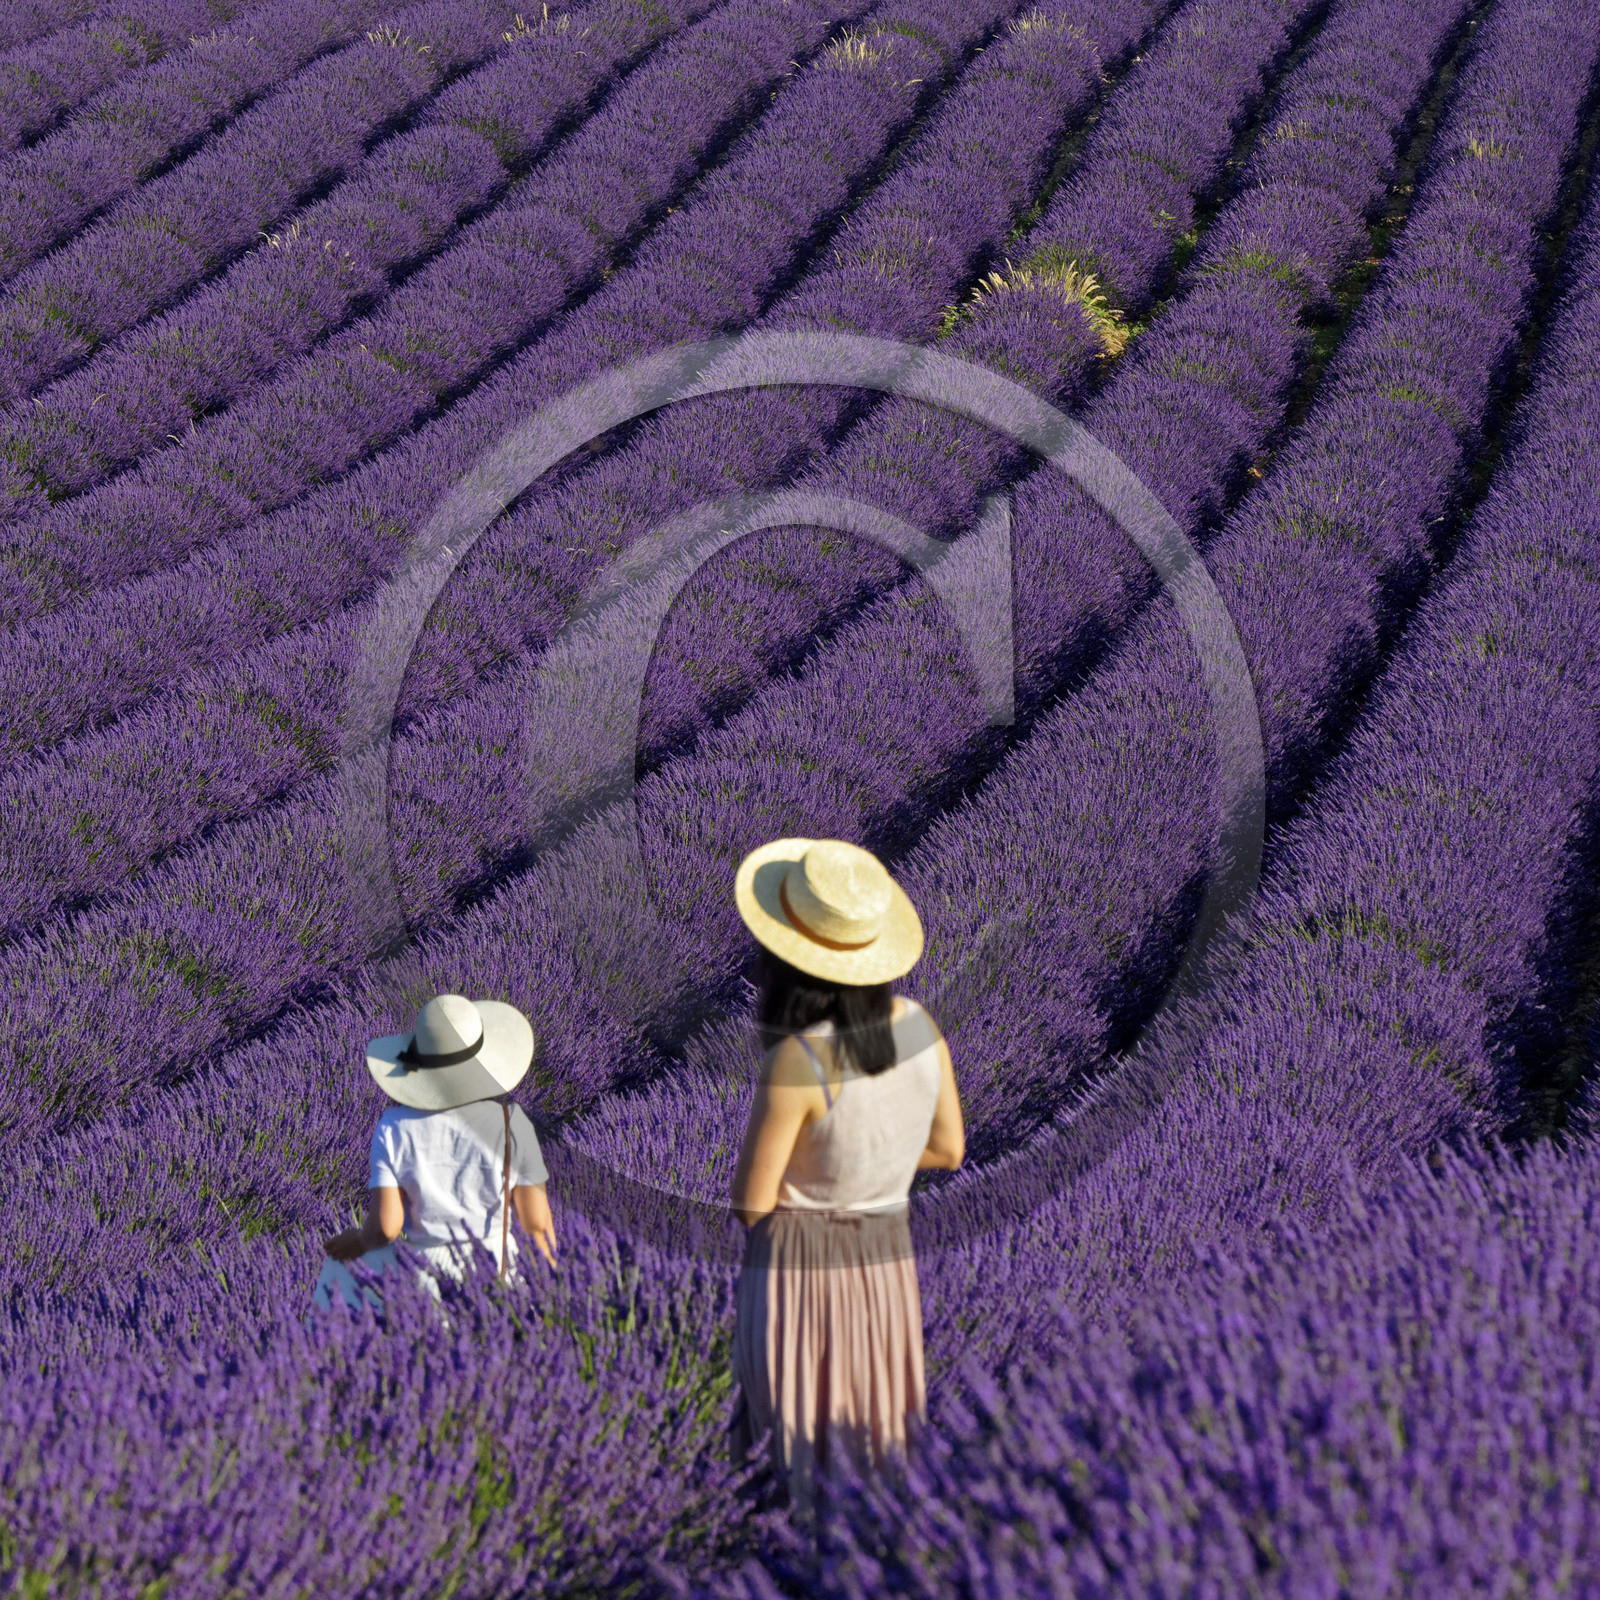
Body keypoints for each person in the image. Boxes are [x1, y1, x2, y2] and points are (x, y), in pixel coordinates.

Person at [728, 837, 965, 1510]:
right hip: (885, 1255)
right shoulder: (921, 1027)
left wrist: (824, 1179)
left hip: (801, 1267)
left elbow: (751, 1203)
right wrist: (871, 1168)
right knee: (877, 1430)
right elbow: (948, 1149)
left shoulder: (799, 1062)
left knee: (796, 1445)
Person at [313, 992, 558, 1313]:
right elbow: (537, 1224)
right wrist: (552, 1298)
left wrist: (358, 1239)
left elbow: (385, 1229)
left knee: (337, 1273)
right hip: (499, 1271)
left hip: (426, 1278)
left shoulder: (395, 1126)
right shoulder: (511, 1122)